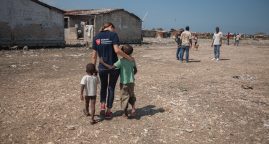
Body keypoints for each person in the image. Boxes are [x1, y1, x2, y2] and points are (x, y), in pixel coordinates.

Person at [91, 22, 134, 119]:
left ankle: (102, 106)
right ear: (111, 27)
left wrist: (93, 69)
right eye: (114, 29)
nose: (114, 31)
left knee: (103, 86)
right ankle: (108, 111)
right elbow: (117, 50)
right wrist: (129, 58)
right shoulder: (113, 35)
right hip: (114, 67)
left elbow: (94, 56)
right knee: (111, 88)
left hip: (102, 67)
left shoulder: (96, 37)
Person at [100, 44, 137, 118]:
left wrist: (102, 62)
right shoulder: (132, 60)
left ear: (122, 53)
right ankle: (133, 108)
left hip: (124, 82)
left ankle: (125, 112)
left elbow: (111, 67)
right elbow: (135, 70)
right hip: (131, 82)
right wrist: (131, 75)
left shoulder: (120, 61)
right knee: (131, 95)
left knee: (124, 97)